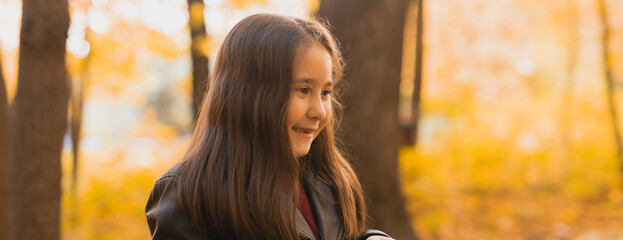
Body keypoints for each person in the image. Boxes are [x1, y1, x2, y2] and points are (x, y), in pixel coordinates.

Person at [145, 13, 394, 240]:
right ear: (250, 94)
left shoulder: (330, 179)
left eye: (326, 92)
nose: (319, 111)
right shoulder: (188, 196)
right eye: (303, 90)